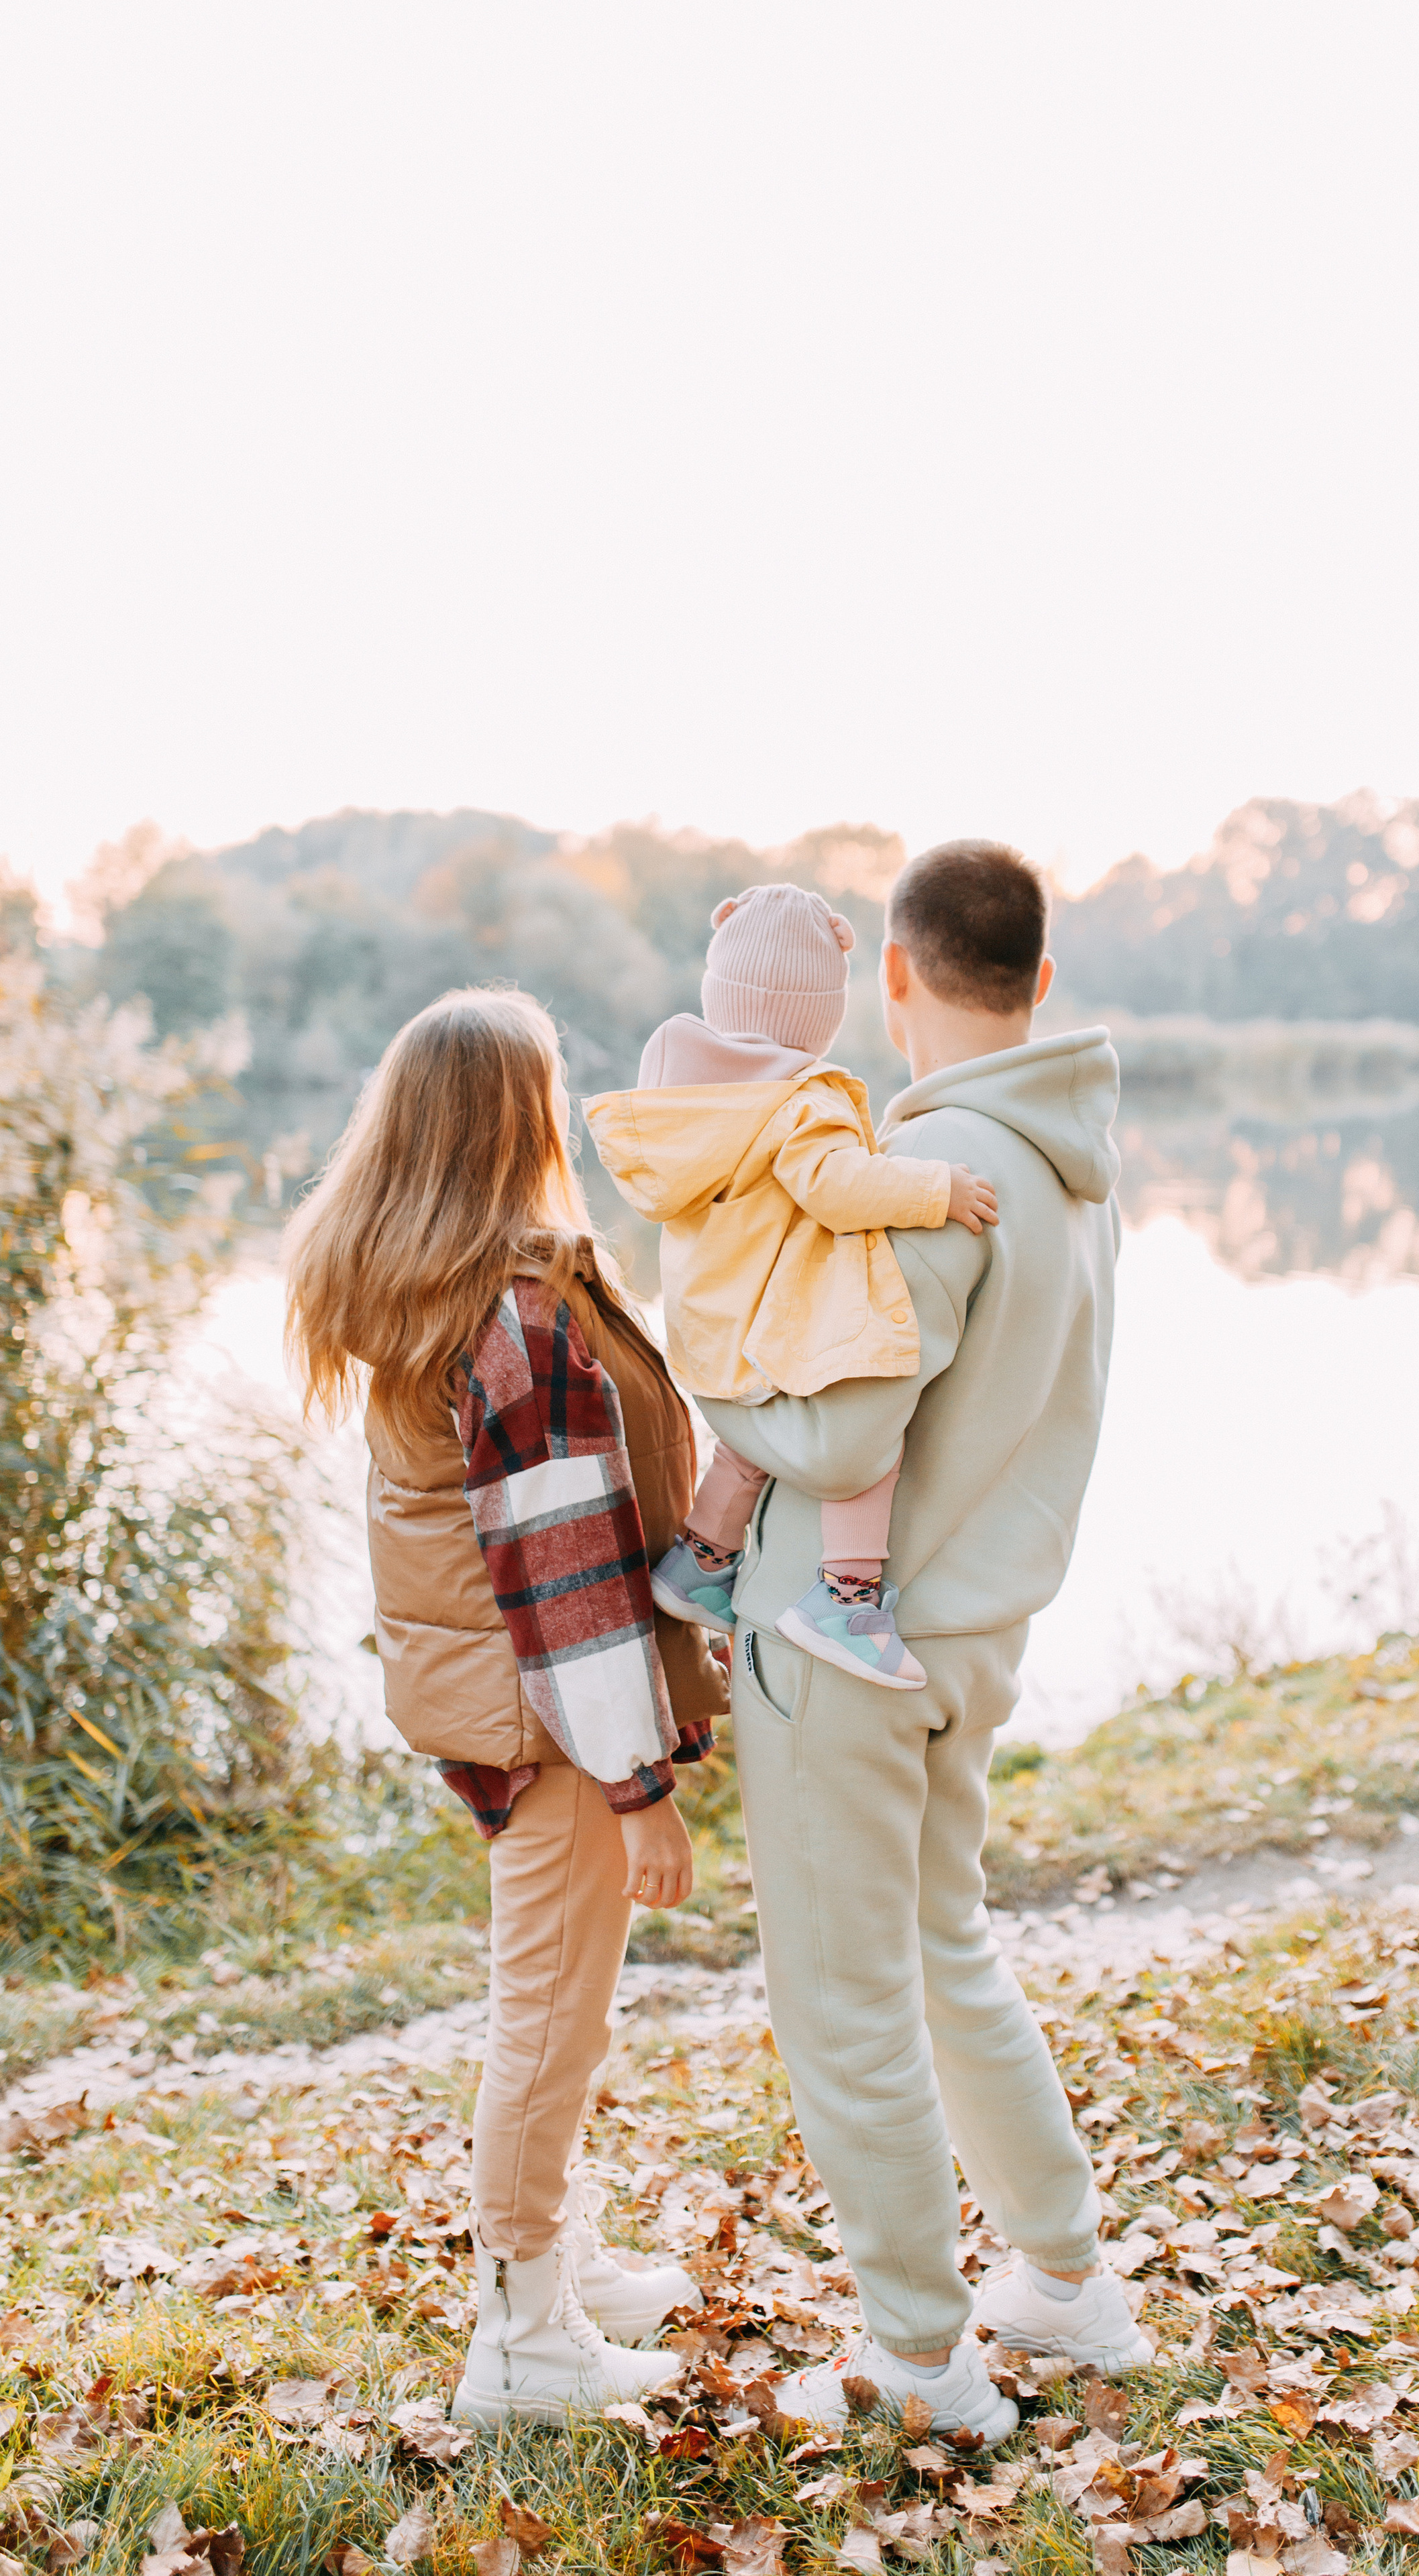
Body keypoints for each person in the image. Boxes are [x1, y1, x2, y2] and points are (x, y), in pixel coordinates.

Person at [699, 842, 1142, 2445]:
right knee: (943, 1945)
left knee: (845, 1992)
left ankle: (914, 2349)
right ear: (1039, 976)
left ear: (893, 975)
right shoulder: (1075, 1162)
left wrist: (717, 1389)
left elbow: (840, 1425)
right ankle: (1066, 2280)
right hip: (970, 1632)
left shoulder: (935, 1162)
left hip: (845, 1642)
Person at [282, 987, 728, 2428]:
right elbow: (568, 1577)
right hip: (552, 1726)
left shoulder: (437, 1290)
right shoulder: (512, 1320)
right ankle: (522, 2338)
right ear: (514, 1123)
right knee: (545, 2017)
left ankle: (558, 2269)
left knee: (554, 2004)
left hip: (503, 1712)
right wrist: (636, 1786)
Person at [583, 881, 998, 1690]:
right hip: (773, 1325)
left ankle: (701, 1561)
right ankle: (846, 1597)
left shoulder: (679, 1097)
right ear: (821, 1014)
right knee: (868, 1431)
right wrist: (933, 1188)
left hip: (708, 1335)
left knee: (754, 1443)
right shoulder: (804, 1102)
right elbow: (837, 1187)